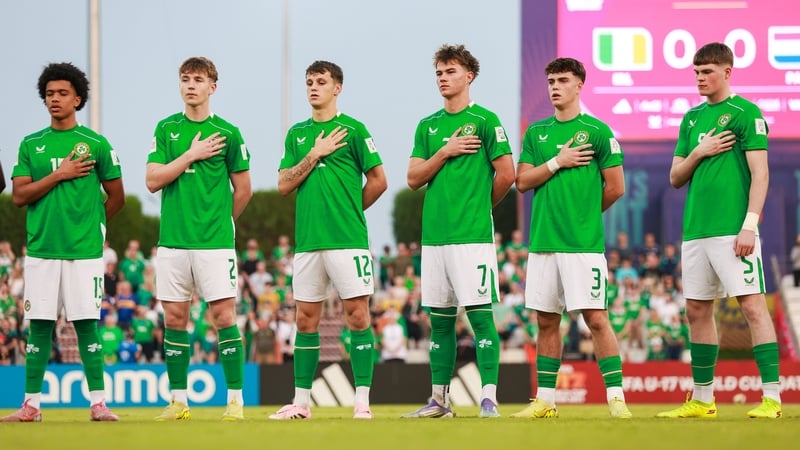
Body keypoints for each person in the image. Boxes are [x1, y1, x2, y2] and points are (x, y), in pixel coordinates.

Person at [656, 42, 781, 419]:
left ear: (727, 72)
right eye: (696, 72)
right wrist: (700, 151)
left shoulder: (746, 113)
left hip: (733, 230)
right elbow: (676, 176)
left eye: (707, 71)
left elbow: (761, 174)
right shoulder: (692, 120)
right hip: (695, 231)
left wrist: (749, 225)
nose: (700, 78)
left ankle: (773, 399)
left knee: (752, 306)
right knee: (696, 310)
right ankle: (703, 399)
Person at [509, 57, 631, 419]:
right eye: (550, 81)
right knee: (546, 321)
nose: (554, 87)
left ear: (579, 85)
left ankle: (616, 398)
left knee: (596, 319)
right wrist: (557, 162)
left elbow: (616, 187)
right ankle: (546, 400)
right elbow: (522, 182)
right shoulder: (536, 133)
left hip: (582, 246)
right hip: (544, 243)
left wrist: (584, 217)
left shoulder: (597, 131)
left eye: (562, 80)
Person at [1, 62, 124, 422]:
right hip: (41, 250)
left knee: (87, 323)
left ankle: (98, 404)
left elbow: (116, 198)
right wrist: (60, 174)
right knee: (38, 325)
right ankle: (31, 406)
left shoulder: (98, 144)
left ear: (78, 98)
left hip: (83, 252)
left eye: (62, 93)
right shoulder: (31, 144)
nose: (54, 99)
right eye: (49, 94)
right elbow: (19, 196)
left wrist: (97, 230)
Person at [268, 60, 387, 420]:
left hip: (348, 240)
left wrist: (351, 211)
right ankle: (301, 403)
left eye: (321, 81)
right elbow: (284, 184)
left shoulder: (354, 129)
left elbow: (379, 180)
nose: (313, 87)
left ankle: (362, 401)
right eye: (309, 82)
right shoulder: (297, 134)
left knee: (357, 315)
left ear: (337, 87)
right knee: (305, 319)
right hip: (307, 243)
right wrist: (314, 154)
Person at [402, 44, 515, 419]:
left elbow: (508, 174)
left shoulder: (486, 121)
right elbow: (414, 178)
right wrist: (445, 151)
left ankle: (488, 399)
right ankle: (439, 401)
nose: (443, 78)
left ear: (469, 76)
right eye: (438, 72)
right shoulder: (427, 125)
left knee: (481, 316)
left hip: (472, 238)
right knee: (440, 322)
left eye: (450, 71)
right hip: (434, 238)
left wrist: (481, 209)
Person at [146, 56, 252, 421]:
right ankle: (178, 401)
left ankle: (235, 401)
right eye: (185, 79)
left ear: (212, 87)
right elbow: (152, 179)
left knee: (223, 316)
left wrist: (224, 224)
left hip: (215, 243)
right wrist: (190, 154)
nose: (191, 85)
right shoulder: (166, 129)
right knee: (174, 318)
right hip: (173, 242)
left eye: (198, 79)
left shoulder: (229, 133)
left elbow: (244, 190)